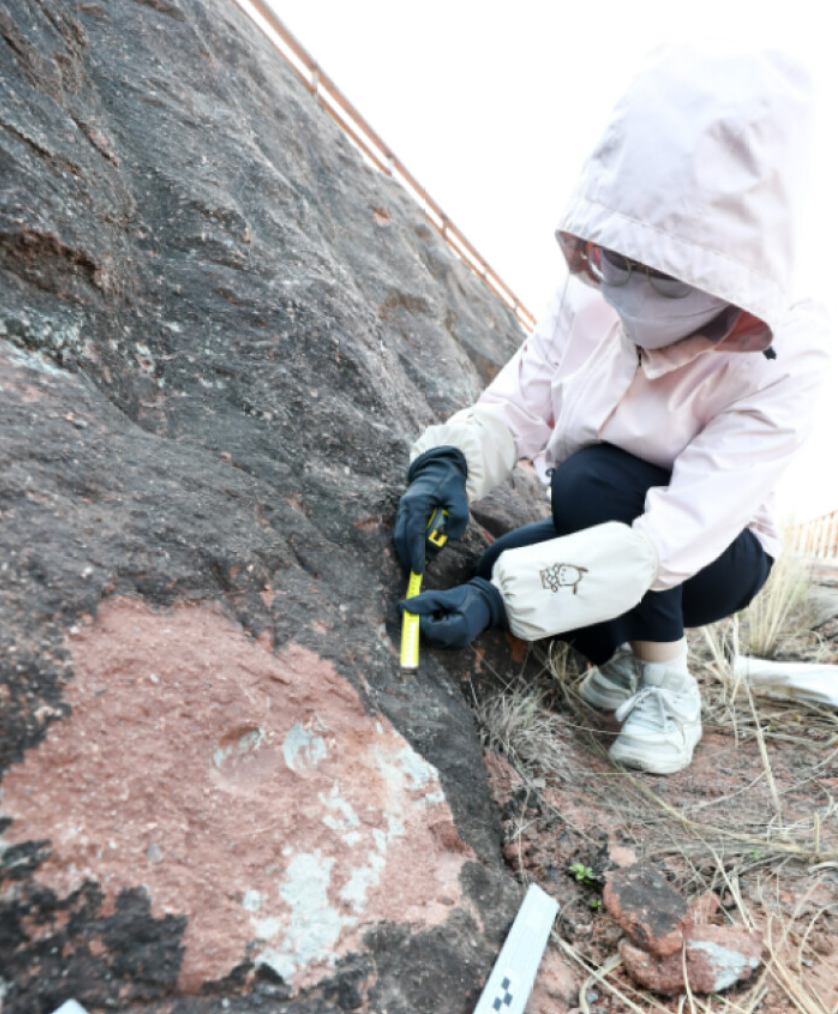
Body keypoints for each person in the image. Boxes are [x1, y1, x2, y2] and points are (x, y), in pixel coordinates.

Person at [392, 46, 832, 776]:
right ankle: (626, 661)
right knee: (504, 561)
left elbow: (672, 535)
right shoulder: (592, 284)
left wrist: (509, 606)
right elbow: (523, 399)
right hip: (605, 521)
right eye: (617, 260)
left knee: (591, 483)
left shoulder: (794, 351)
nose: (625, 289)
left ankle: (668, 685)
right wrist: (447, 465)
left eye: (664, 278)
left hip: (712, 556)